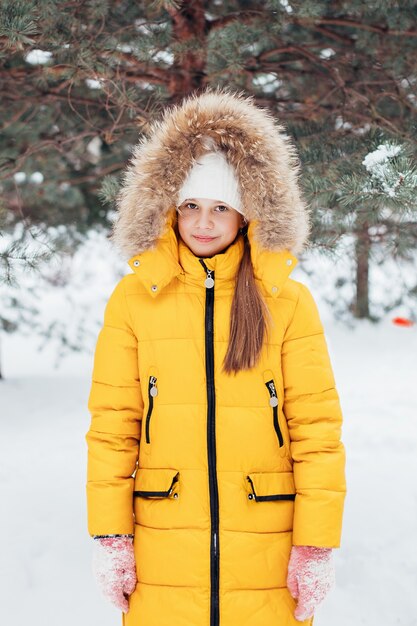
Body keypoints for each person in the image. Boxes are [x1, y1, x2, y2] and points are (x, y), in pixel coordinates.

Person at [85, 88, 347, 626]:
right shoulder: (135, 297)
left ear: (248, 215)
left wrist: (316, 546)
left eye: (221, 207)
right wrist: (111, 536)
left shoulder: (287, 302)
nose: (203, 222)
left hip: (268, 544)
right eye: (191, 206)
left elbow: (317, 431)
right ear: (169, 209)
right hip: (162, 542)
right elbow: (113, 427)